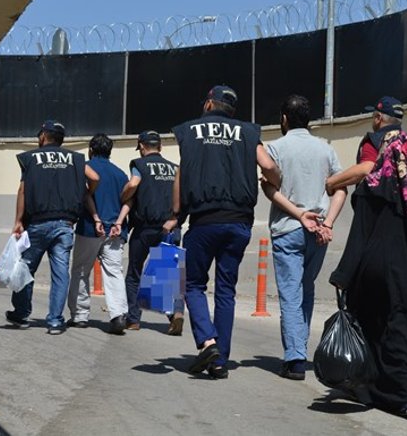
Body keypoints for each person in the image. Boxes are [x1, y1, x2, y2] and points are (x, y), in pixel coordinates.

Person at [326, 98, 407, 418]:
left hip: (378, 255)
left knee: (373, 318)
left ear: (379, 119)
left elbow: (362, 226)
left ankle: (369, 385)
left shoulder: (374, 150)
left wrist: (344, 271)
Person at [165, 85, 281, 379]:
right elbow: (269, 165)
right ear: (231, 110)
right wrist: (274, 181)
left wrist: (176, 215)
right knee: (226, 290)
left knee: (192, 284)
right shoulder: (247, 132)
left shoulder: (190, 131)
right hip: (239, 223)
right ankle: (220, 361)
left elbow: (181, 177)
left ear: (208, 105)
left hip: (204, 221)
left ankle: (208, 342)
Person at [260, 94, 347, 380]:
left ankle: (295, 358)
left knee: (290, 293)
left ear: (284, 119)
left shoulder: (276, 148)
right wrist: (329, 222)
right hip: (319, 230)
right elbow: (341, 189)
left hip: (289, 228)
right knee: (305, 290)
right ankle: (299, 350)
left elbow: (271, 191)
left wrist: (298, 214)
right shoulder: (326, 150)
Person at [6, 120, 99, 334]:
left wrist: (18, 220)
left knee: (25, 268)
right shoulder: (75, 158)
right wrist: (86, 193)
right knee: (60, 273)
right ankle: (55, 321)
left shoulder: (31, 158)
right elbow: (95, 177)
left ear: (43, 136)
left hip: (37, 224)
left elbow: (22, 191)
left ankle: (21, 314)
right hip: (65, 225)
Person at [120, 131, 182, 334]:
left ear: (141, 146)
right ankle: (174, 315)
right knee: (166, 274)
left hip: (145, 228)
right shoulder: (174, 168)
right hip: (170, 227)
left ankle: (134, 320)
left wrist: (124, 195)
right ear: (161, 147)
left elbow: (134, 184)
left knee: (134, 274)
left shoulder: (138, 164)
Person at [67, 133, 129, 335]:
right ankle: (118, 315)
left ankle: (80, 316)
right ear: (110, 152)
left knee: (80, 271)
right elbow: (128, 200)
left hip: (89, 228)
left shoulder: (84, 169)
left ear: (90, 150)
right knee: (114, 272)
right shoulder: (120, 175)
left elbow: (81, 196)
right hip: (115, 230)